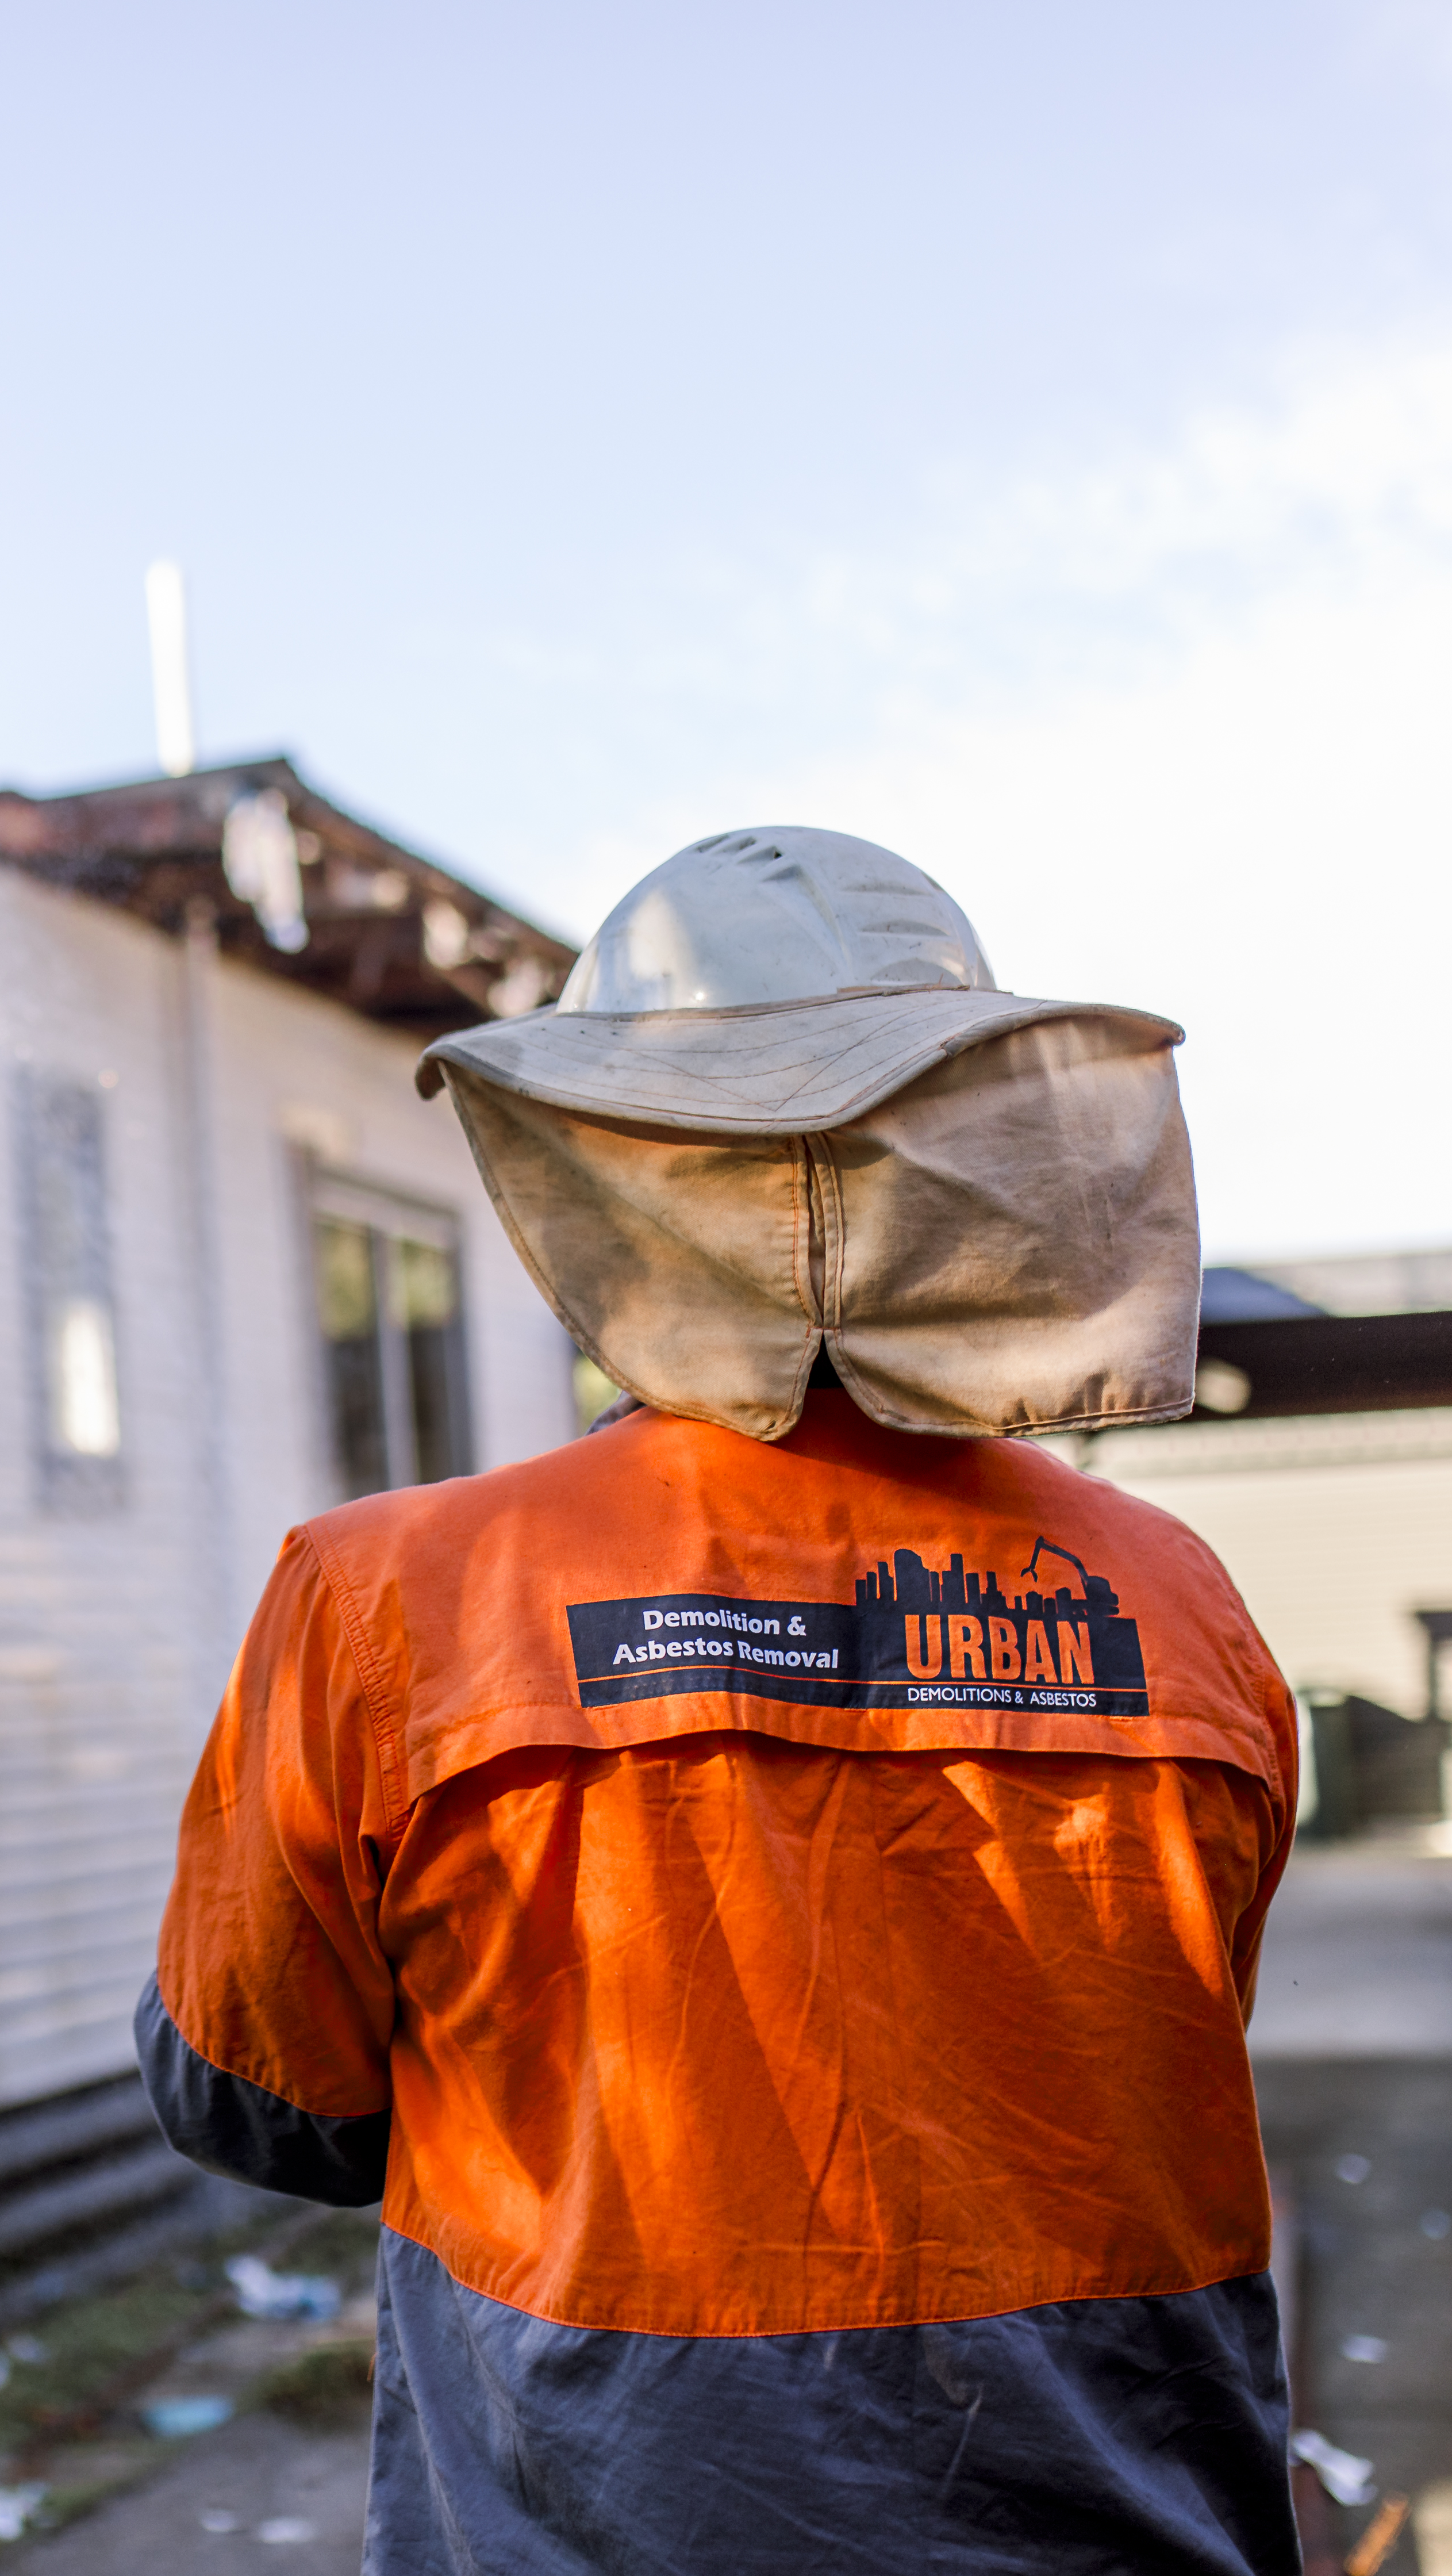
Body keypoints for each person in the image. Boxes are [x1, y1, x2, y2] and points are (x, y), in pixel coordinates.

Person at [137, 829, 1301, 2573]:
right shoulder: (1175, 1605)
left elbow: (261, 2100)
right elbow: (1156, 2048)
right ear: (991, 1158)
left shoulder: (391, 1601)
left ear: (606, 1172)